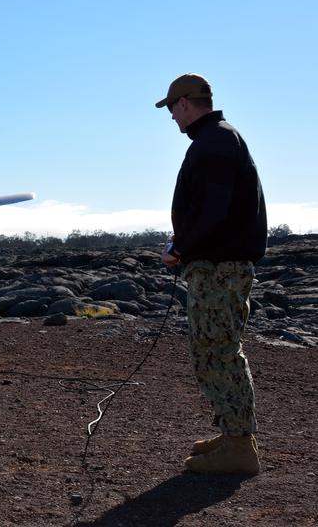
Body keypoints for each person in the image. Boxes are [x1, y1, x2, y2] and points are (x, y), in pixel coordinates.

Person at [156, 73, 267, 475]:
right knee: (212, 350)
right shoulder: (216, 139)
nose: (171, 117)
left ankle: (240, 447)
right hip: (215, 266)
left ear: (185, 103)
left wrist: (181, 248)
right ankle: (233, 432)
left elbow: (214, 211)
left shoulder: (216, 141)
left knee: (218, 350)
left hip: (221, 269)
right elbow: (210, 209)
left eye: (171, 108)